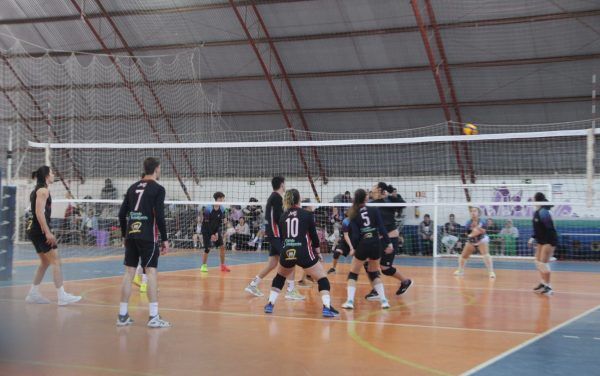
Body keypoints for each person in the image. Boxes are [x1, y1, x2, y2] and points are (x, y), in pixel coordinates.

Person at [263, 189, 339, 317]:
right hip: (304, 251)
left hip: (288, 251)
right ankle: (326, 307)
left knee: (280, 277)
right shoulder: (307, 214)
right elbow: (314, 237)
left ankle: (270, 304)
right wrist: (318, 253)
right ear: (299, 200)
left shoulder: (283, 216)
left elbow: (282, 237)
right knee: (322, 279)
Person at [117, 157, 170, 328]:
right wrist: (165, 238)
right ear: (156, 169)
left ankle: (122, 315)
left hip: (131, 235)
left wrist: (125, 235)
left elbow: (121, 214)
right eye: (160, 169)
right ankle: (153, 316)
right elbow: (160, 216)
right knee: (151, 272)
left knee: (128, 273)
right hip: (148, 236)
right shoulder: (158, 189)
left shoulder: (132, 187)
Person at [25, 166, 82, 306]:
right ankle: (62, 296)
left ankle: (33, 293)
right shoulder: (43, 190)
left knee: (45, 263)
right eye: (51, 172)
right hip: (40, 231)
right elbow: (39, 213)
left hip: (34, 230)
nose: (53, 174)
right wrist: (48, 232)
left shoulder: (38, 189)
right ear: (46, 176)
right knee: (56, 261)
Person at [245, 177, 301, 300]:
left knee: (272, 263)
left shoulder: (274, 197)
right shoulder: (277, 197)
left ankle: (253, 284)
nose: (285, 185)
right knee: (290, 258)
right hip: (275, 234)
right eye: (284, 183)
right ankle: (291, 290)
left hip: (273, 233)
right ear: (282, 185)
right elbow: (277, 217)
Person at [341, 189, 392, 310]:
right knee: (374, 273)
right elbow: (382, 228)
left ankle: (349, 301)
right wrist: (389, 243)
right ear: (366, 198)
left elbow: (356, 236)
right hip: (376, 244)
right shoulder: (374, 210)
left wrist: (353, 249)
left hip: (363, 245)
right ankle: (384, 301)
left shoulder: (353, 213)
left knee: (353, 273)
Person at [364, 182, 412, 301]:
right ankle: (405, 282)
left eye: (374, 186)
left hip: (390, 239)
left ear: (379, 189)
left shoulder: (388, 200)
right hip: (380, 239)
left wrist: (393, 194)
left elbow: (402, 205)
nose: (371, 188)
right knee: (384, 268)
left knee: (375, 266)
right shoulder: (371, 204)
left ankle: (376, 291)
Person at [454, 207, 495, 278]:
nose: (473, 213)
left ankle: (491, 272)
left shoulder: (482, 221)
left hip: (481, 240)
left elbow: (483, 231)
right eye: (471, 211)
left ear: (478, 213)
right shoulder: (468, 222)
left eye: (475, 211)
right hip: (472, 241)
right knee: (463, 256)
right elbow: (467, 234)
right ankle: (460, 270)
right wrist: (472, 232)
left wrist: (476, 228)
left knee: (486, 255)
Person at [529, 193, 557, 295]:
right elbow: (537, 229)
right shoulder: (536, 212)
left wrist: (547, 243)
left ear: (537, 200)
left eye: (534, 199)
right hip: (541, 240)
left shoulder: (544, 212)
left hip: (549, 240)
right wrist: (533, 238)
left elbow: (550, 228)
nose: (532, 200)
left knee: (543, 263)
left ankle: (549, 287)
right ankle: (543, 283)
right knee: (537, 262)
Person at [201, 192, 230, 272]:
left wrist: (217, 232)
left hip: (215, 230)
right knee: (207, 248)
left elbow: (219, 222)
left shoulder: (222, 209)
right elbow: (206, 223)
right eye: (221, 198)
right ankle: (203, 266)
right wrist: (211, 235)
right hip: (206, 230)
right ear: (217, 198)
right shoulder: (208, 208)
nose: (222, 200)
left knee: (222, 247)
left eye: (223, 198)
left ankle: (222, 266)